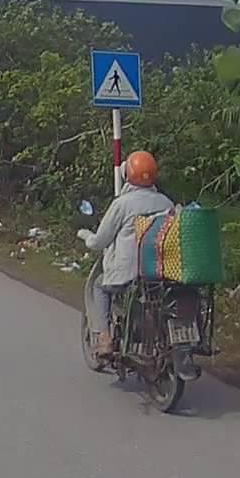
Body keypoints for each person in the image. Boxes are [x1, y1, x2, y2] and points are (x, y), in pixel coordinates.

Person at [78, 151, 176, 357]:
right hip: (159, 272)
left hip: (128, 273)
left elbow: (100, 241)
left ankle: (104, 338)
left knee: (99, 287)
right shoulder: (166, 203)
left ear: (128, 175)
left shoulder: (122, 204)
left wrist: (85, 235)